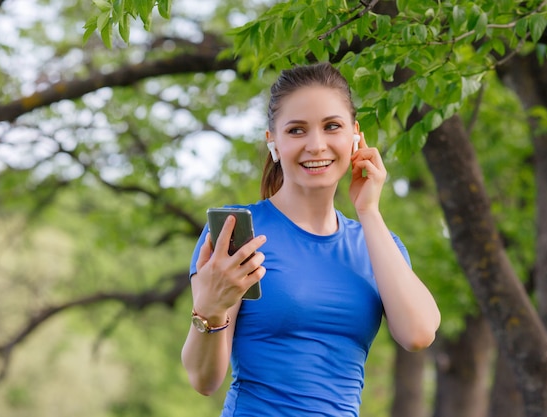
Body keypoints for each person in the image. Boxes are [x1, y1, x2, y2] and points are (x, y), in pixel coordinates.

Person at [181, 62, 440, 416]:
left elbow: (418, 334)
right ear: (273, 140)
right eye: (297, 130)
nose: (316, 145)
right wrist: (209, 309)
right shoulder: (237, 233)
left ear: (355, 136)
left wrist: (369, 211)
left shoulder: (377, 243)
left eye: (332, 126)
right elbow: (204, 379)